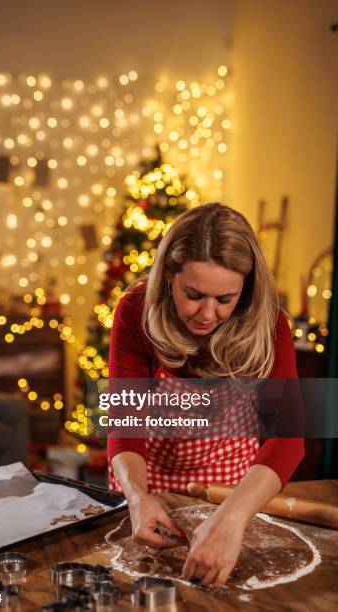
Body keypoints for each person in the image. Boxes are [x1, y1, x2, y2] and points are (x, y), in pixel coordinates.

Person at [107, 203, 304, 587]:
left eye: (225, 299)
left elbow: (289, 439)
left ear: (245, 289)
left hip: (230, 485)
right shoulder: (135, 311)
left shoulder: (271, 325)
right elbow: (125, 421)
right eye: (194, 294)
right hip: (146, 479)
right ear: (168, 276)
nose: (207, 315)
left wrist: (231, 518)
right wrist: (137, 497)